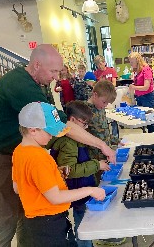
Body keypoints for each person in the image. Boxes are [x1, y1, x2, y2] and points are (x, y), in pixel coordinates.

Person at [0, 44, 115, 247]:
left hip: (16, 160)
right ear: (37, 64)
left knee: (24, 213)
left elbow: (19, 187)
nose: (57, 77)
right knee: (5, 219)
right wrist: (101, 145)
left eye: (59, 71)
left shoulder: (24, 151)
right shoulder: (22, 87)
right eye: (53, 71)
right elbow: (65, 127)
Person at [12, 101, 106, 247]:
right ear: (33, 130)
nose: (53, 136)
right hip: (49, 226)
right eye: (50, 132)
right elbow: (55, 198)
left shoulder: (19, 151)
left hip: (31, 226)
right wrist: (91, 190)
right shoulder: (39, 157)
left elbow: (18, 188)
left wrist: (53, 174)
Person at [50, 100, 110, 247]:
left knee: (85, 220)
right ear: (72, 121)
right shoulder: (68, 143)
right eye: (84, 124)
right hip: (76, 190)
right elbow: (69, 172)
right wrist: (97, 165)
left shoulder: (77, 139)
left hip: (83, 187)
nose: (86, 128)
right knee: (83, 223)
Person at [86, 80, 126, 246]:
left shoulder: (100, 109)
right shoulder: (85, 111)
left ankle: (107, 230)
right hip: (93, 162)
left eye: (108, 104)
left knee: (106, 192)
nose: (105, 106)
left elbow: (105, 134)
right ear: (94, 95)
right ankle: (100, 234)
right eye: (104, 102)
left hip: (105, 160)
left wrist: (116, 141)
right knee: (96, 197)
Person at [128, 52, 154, 133]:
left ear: (137, 61)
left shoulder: (146, 69)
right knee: (145, 120)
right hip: (140, 97)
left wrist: (134, 87)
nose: (130, 64)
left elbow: (146, 87)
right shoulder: (138, 70)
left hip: (147, 97)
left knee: (151, 120)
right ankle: (149, 138)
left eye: (132, 62)